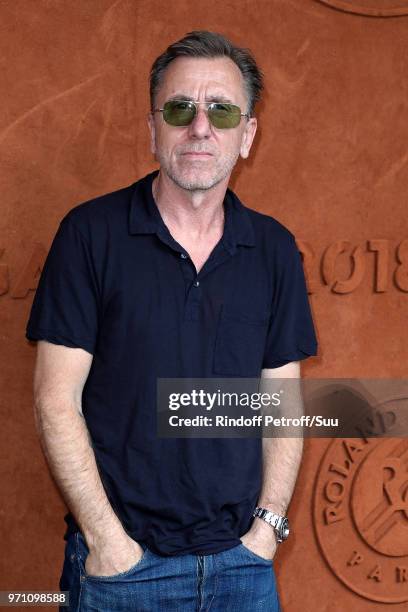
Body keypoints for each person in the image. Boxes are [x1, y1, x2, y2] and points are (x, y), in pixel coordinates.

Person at [25, 30, 318, 612]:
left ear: (247, 136)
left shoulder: (274, 248)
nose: (200, 127)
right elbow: (54, 401)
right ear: (152, 127)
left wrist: (267, 532)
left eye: (223, 110)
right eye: (180, 108)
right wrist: (107, 542)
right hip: (122, 570)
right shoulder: (90, 235)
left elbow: (281, 401)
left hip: (243, 570)